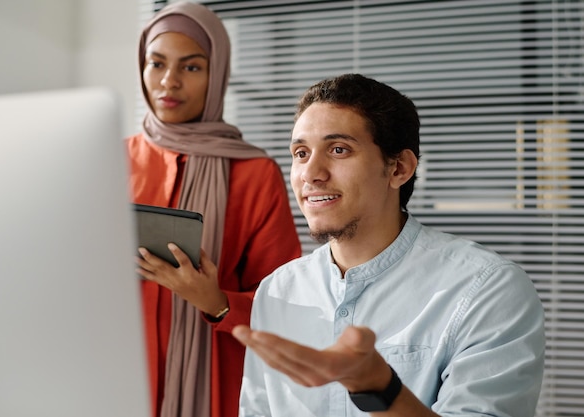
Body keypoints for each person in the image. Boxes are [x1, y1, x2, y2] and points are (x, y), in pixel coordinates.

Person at [232, 73, 545, 416]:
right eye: (301, 153)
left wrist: (380, 388)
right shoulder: (277, 291)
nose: (311, 173)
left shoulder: (488, 289)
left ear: (399, 168)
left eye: (338, 150)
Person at [128, 3, 301, 417]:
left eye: (191, 67)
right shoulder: (108, 158)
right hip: (117, 369)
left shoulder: (253, 173)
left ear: (217, 73)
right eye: (157, 63)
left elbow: (284, 303)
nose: (168, 82)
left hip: (215, 383)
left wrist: (217, 301)